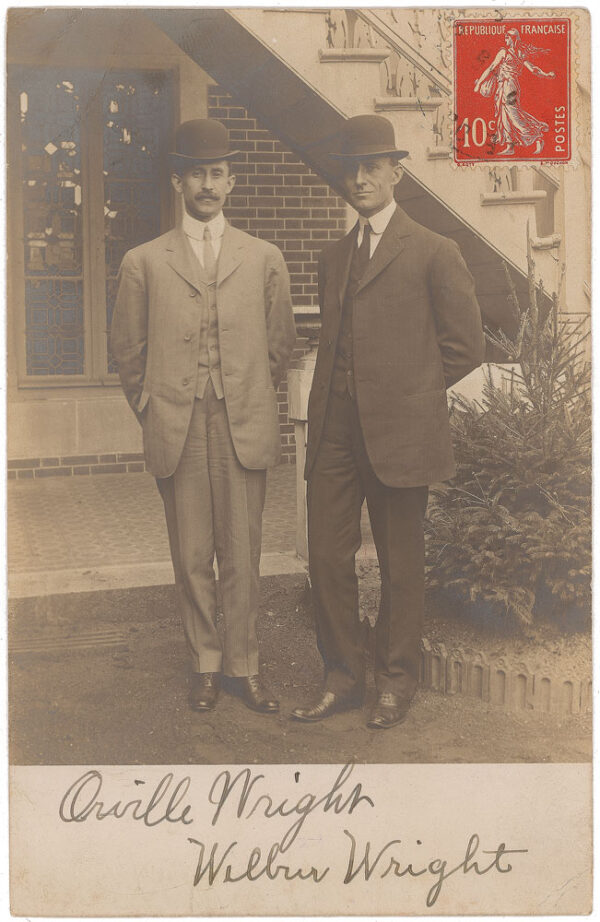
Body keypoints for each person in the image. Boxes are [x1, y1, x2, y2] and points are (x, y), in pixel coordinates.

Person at [292, 115, 485, 729]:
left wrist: (406, 398)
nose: (360, 178)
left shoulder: (433, 249)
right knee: (326, 556)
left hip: (402, 436)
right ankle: (344, 676)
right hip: (333, 436)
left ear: (397, 173)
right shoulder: (333, 256)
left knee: (401, 563)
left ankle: (397, 681)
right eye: (351, 168)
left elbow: (465, 347)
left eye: (372, 166)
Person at [111, 119, 296, 714]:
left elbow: (279, 347)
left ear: (232, 181)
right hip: (179, 424)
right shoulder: (144, 261)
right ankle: (205, 665)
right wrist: (153, 407)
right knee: (192, 555)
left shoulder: (264, 257)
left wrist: (245, 396)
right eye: (197, 173)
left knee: (242, 551)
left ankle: (244, 665)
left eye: (217, 173)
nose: (208, 184)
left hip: (242, 419)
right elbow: (128, 354)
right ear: (178, 182)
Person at [474, 28, 556, 156]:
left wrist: (546, 74)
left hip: (510, 86)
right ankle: (510, 145)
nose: (505, 39)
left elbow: (533, 69)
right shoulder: (506, 52)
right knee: (504, 114)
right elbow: (491, 67)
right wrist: (479, 83)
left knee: (513, 114)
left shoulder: (514, 53)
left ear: (513, 38)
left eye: (507, 37)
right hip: (502, 86)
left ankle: (537, 135)